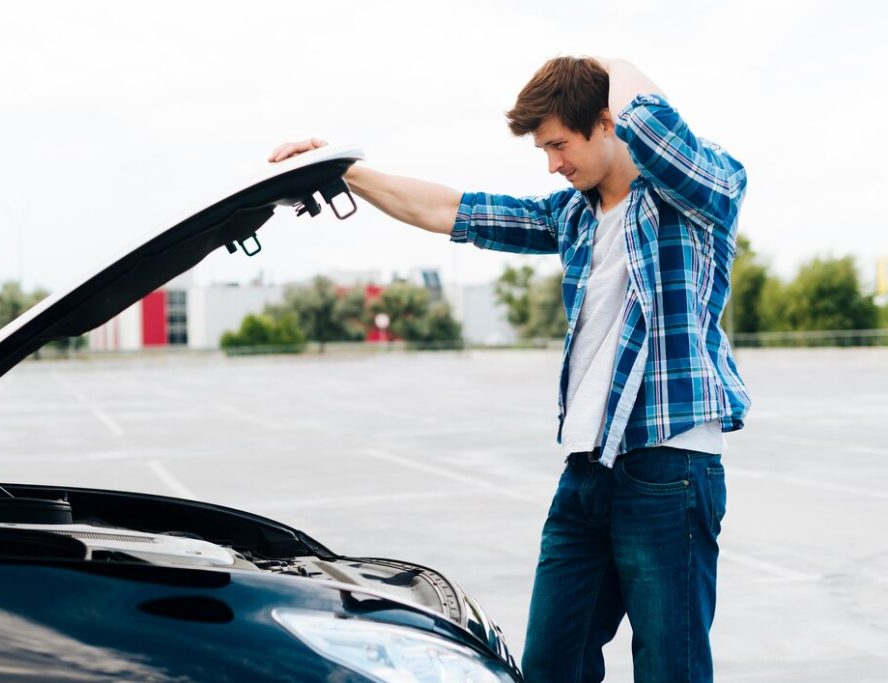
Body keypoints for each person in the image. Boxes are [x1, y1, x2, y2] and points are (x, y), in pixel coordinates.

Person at [270, 56, 749, 683]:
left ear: (607, 122)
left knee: (669, 670)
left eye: (559, 144)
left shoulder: (695, 197)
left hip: (668, 465)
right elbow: (452, 210)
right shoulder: (572, 215)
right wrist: (342, 170)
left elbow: (657, 129)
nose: (552, 163)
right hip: (586, 471)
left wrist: (607, 65)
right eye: (544, 150)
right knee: (550, 665)